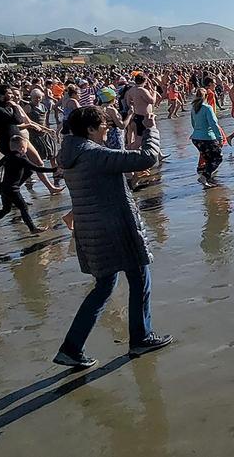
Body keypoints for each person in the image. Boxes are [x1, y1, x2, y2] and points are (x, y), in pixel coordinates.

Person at [53, 106, 173, 368]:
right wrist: (151, 129)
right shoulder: (93, 154)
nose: (107, 128)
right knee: (140, 278)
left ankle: (71, 347)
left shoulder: (70, 154)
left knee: (104, 287)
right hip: (115, 229)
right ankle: (141, 337)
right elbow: (147, 157)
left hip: (91, 231)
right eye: (103, 125)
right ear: (90, 129)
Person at [0, 135, 56, 236]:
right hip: (12, 189)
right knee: (24, 208)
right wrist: (54, 169)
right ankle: (33, 229)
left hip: (3, 188)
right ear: (22, 148)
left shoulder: (7, 157)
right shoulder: (21, 159)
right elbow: (37, 168)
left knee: (6, 209)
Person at [189, 88, 224, 188]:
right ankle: (204, 177)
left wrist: (198, 132)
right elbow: (213, 124)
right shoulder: (207, 108)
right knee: (218, 157)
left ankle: (206, 180)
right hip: (207, 137)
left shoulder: (194, 108)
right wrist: (219, 137)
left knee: (208, 159)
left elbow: (193, 124)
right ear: (206, 97)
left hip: (196, 138)